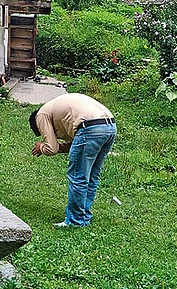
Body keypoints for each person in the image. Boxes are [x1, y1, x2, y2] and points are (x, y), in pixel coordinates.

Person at [29, 93, 116, 228]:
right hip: (109, 127)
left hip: (89, 127)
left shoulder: (41, 115)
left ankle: (75, 221)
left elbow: (52, 148)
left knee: (78, 176)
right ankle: (84, 216)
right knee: (92, 176)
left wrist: (42, 147)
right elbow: (77, 144)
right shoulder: (58, 109)